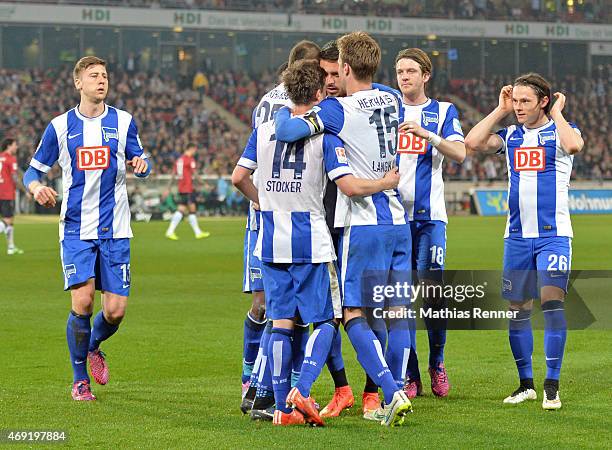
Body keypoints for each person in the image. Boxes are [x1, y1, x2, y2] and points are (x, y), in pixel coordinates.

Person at [232, 59, 401, 426]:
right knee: (327, 320)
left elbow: (238, 177)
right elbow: (347, 185)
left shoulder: (263, 130)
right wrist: (386, 183)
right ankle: (303, 390)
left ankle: (282, 409)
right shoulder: (324, 136)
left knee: (280, 324)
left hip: (271, 239)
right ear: (320, 92)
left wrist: (263, 201)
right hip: (311, 239)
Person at [275, 31, 413, 426]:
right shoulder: (390, 97)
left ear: (346, 68)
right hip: (397, 223)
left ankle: (391, 391)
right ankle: (391, 389)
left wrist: (284, 109)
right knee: (394, 310)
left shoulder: (339, 111)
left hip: (362, 223)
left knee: (351, 313)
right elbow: (379, 89)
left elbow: (288, 132)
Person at [22, 56, 151, 401]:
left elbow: (142, 158)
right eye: (93, 75)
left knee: (115, 311)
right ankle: (80, 381)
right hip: (77, 228)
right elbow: (32, 172)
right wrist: (37, 188)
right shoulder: (60, 127)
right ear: (78, 83)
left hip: (116, 229)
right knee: (83, 301)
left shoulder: (123, 122)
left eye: (105, 75)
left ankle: (93, 345)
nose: (101, 80)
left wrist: (141, 164)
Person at [464, 73, 583, 410]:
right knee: (517, 310)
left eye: (525, 101)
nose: (518, 107)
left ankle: (552, 385)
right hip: (516, 237)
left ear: (543, 101)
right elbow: (472, 143)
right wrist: (499, 110)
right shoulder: (511, 134)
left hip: (553, 237)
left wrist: (558, 111)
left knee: (551, 303)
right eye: (515, 101)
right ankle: (525, 384)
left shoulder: (561, 131)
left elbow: (574, 146)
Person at [240, 41, 321, 420]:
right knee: (315, 318)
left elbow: (240, 175)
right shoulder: (321, 120)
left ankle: (263, 392)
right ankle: (288, 390)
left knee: (275, 314)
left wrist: (263, 200)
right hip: (304, 226)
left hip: (268, 226)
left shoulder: (264, 113)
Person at [394, 48, 466, 398]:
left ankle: (436, 363)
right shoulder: (386, 109)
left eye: (411, 71)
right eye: (399, 71)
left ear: (425, 75)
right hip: (393, 218)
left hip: (430, 218)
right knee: (400, 300)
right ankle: (410, 375)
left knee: (432, 295)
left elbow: (461, 152)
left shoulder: (442, 111)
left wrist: (428, 135)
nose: (404, 76)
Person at [316, 39, 355, 419]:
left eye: (334, 73)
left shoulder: (369, 108)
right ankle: (342, 387)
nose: (329, 80)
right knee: (325, 313)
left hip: (360, 222)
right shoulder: (319, 112)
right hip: (322, 224)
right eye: (322, 73)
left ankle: (376, 390)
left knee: (365, 312)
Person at [164, 143, 210, 240]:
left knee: (183, 209)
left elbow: (173, 175)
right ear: (191, 149)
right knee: (191, 209)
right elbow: (195, 174)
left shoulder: (179, 160)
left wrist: (168, 188)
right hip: (187, 189)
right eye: (195, 150)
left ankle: (172, 231)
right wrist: (204, 184)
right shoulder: (190, 160)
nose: (195, 152)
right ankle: (196, 233)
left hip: (181, 188)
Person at [0, 138, 26, 255]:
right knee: (7, 220)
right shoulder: (11, 159)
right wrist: (25, 190)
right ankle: (10, 246)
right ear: (9, 146)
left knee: (10, 221)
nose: (17, 147)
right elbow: (15, 178)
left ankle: (10, 247)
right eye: (15, 145)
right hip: (6, 193)